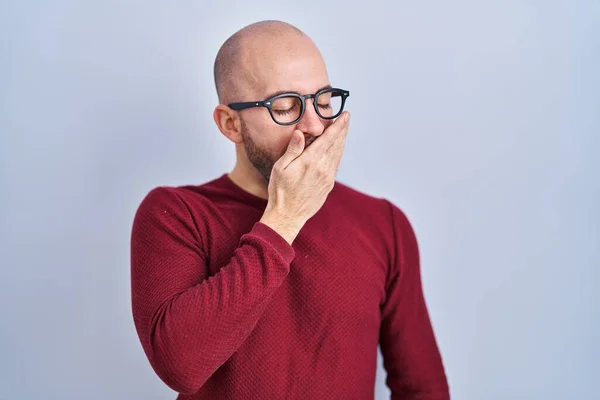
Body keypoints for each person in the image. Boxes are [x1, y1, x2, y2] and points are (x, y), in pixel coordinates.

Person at [130, 20, 450, 400]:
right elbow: (180, 366)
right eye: (286, 107)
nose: (315, 125)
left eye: (324, 101)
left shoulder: (383, 223)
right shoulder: (177, 214)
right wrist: (286, 217)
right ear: (230, 124)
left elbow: (423, 388)